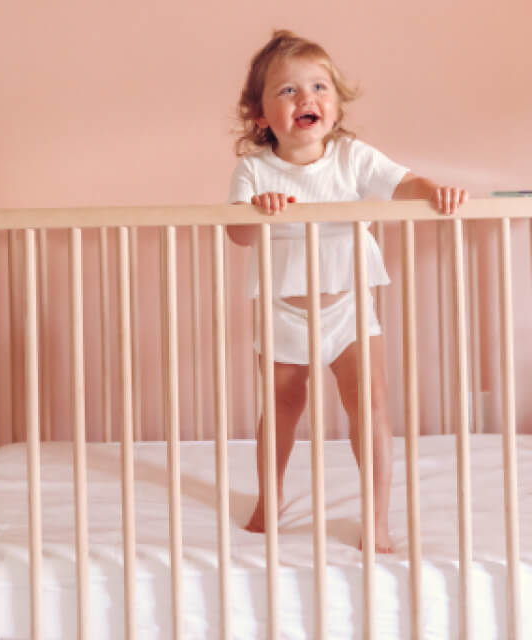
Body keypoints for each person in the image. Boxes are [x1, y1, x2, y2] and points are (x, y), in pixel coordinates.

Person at [227, 29, 468, 553]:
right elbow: (237, 234)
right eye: (287, 90)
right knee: (283, 408)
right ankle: (270, 499)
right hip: (284, 311)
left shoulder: (351, 157)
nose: (306, 98)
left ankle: (376, 518)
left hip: (349, 308)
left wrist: (434, 191)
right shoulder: (253, 169)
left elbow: (403, 182)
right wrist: (256, 211)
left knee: (371, 405)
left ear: (335, 107)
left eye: (319, 87)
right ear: (261, 116)